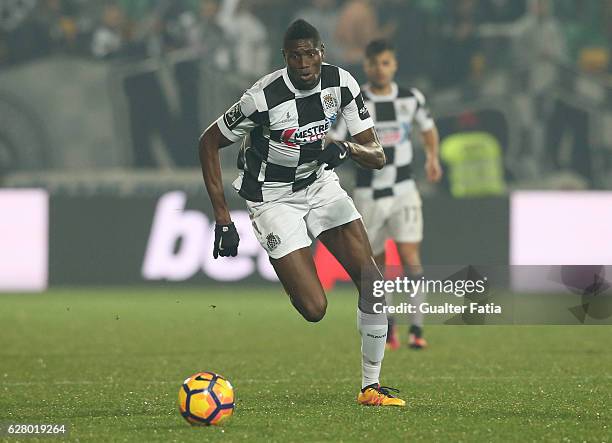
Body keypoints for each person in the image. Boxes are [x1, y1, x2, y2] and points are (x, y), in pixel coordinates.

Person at [199, 19, 405, 407]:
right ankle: (288, 260)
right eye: (296, 56)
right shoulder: (262, 97)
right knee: (314, 309)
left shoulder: (342, 84)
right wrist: (223, 219)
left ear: (321, 52)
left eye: (311, 53)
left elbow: (377, 155)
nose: (305, 63)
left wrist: (345, 149)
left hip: (319, 184)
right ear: (285, 58)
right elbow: (208, 143)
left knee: (374, 285)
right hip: (271, 197)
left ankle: (370, 388)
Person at [333, 39, 442, 350]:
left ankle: (417, 328)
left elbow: (428, 128)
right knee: (377, 265)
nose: (379, 69)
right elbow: (337, 139)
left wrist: (433, 158)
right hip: (368, 192)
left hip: (404, 190)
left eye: (385, 63)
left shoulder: (411, 98)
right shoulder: (356, 102)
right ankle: (390, 324)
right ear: (366, 67)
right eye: (373, 64)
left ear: (394, 65)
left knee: (410, 257)